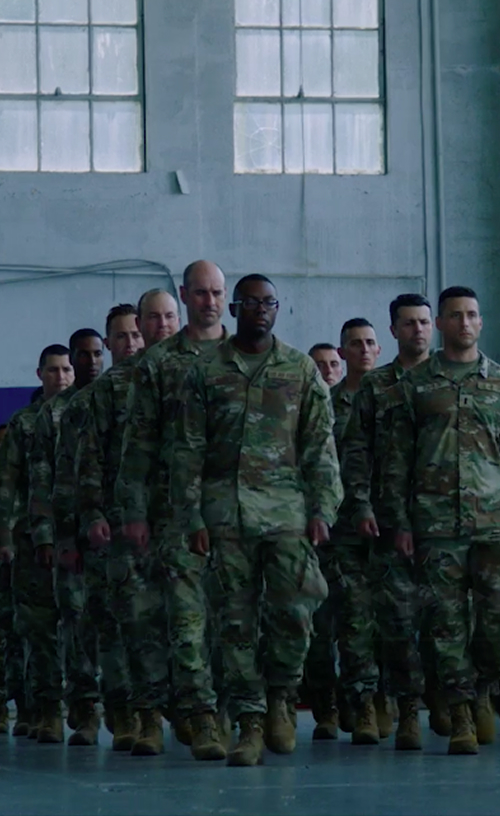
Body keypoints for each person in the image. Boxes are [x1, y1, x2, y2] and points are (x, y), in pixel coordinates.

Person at [171, 274, 341, 767]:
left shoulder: (299, 369)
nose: (261, 310)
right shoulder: (205, 372)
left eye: (269, 303)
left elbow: (320, 447)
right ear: (235, 309)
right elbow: (188, 450)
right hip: (226, 516)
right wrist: (191, 515)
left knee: (295, 612)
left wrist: (323, 510)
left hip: (287, 515)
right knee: (235, 622)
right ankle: (248, 720)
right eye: (251, 302)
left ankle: (282, 697)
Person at [384, 285, 500, 755]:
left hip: (495, 522)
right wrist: (400, 521)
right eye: (455, 315)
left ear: (481, 321)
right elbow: (396, 461)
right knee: (445, 624)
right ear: (441, 324)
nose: (464, 323)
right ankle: (461, 713)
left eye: (472, 314)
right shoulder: (415, 386)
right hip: (435, 526)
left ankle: (484, 688)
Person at [114, 263, 227, 759]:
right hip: (174, 513)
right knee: (182, 619)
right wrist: (135, 512)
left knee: (235, 620)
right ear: (187, 295)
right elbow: (137, 443)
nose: (209, 301)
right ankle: (197, 715)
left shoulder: (246, 356)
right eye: (200, 293)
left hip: (238, 513)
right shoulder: (158, 364)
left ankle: (232, 712)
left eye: (216, 292)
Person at [78, 295, 180, 750]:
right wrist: (93, 513)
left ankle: (194, 710)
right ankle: (144, 715)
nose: (135, 341)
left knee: (190, 619)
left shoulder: (191, 373)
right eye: (125, 334)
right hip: (127, 521)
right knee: (136, 623)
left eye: (137, 333)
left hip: (182, 517)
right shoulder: (110, 390)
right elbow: (89, 459)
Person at [339, 294, 433, 750]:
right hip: (387, 523)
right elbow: (356, 452)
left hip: (444, 521)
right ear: (393, 331)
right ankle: (398, 707)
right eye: (408, 323)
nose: (418, 330)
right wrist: (361, 505)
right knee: (390, 621)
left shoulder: (452, 381)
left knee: (446, 622)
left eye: (424, 322)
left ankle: (457, 701)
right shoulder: (376, 388)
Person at [306, 319, 382, 741]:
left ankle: (371, 702)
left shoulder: (391, 397)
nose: (363, 350)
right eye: (355, 344)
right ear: (343, 351)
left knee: (373, 621)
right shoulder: (324, 403)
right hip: (334, 528)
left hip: (382, 526)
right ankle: (332, 706)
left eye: (370, 343)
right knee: (329, 621)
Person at [28, 329, 104, 743]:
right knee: (76, 620)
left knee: (119, 621)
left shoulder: (118, 398)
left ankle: (130, 710)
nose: (91, 362)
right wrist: (48, 536)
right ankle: (85, 709)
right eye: (83, 355)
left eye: (96, 354)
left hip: (117, 530)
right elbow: (42, 480)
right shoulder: (54, 413)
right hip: (71, 532)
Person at [0, 345, 73, 738]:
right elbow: (7, 484)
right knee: (36, 627)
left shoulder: (84, 413)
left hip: (76, 535)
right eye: (53, 370)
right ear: (39, 374)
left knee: (78, 626)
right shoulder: (23, 423)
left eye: (66, 369)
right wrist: (5, 535)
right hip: (31, 538)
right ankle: (41, 707)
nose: (60, 377)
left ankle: (81, 706)